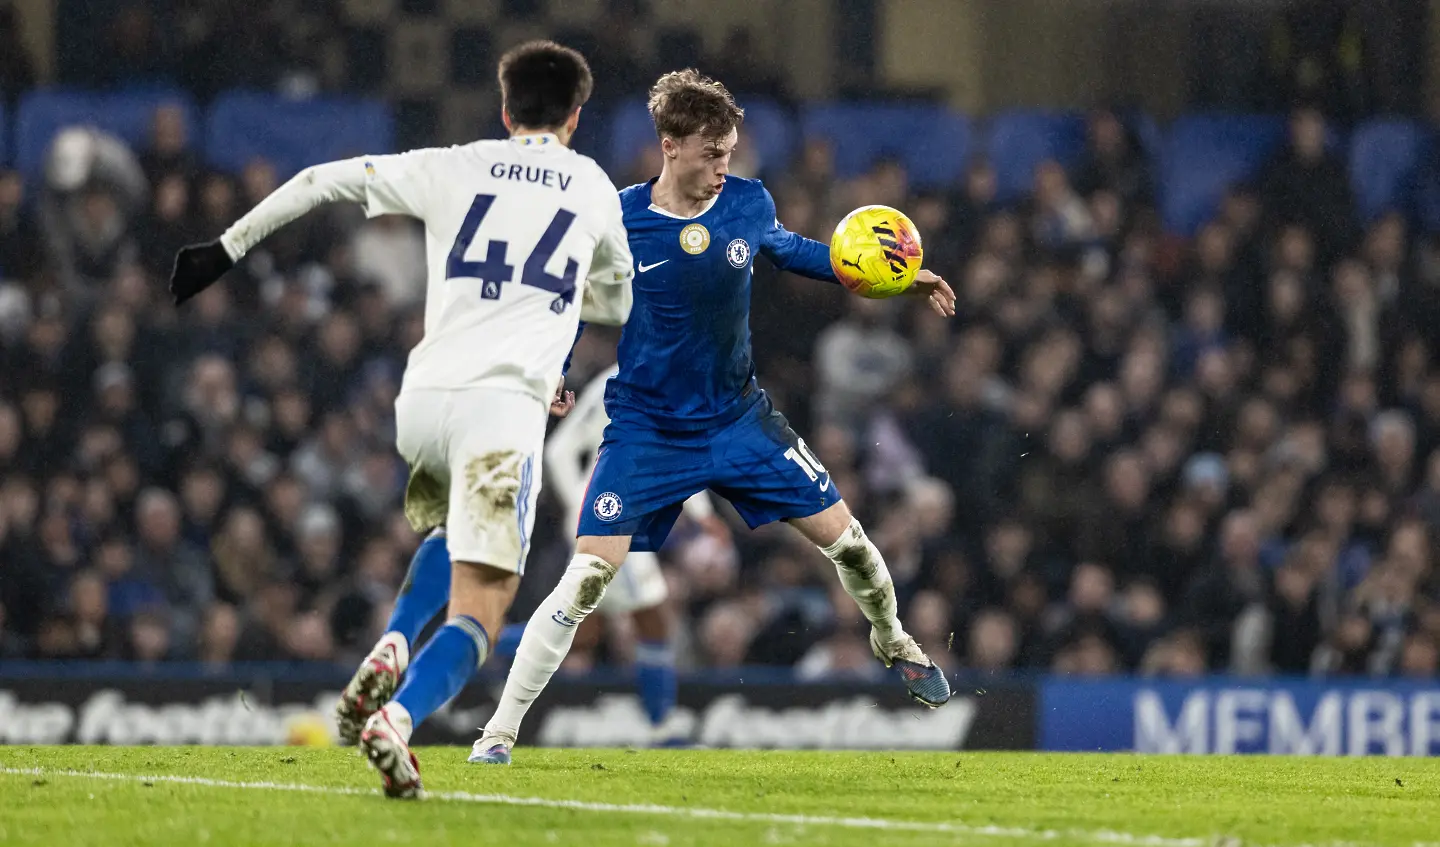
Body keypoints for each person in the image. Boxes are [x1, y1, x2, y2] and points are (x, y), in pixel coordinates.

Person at [166, 41, 633, 798]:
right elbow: (617, 300)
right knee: (483, 606)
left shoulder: (454, 162)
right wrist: (553, 349)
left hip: (423, 398)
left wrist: (224, 249)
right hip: (500, 410)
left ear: (505, 110)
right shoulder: (592, 185)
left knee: (451, 536)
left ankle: (390, 638)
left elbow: (321, 180)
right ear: (576, 116)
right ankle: (400, 718)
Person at [469, 69, 958, 766]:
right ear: (670, 146)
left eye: (730, 152)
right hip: (647, 430)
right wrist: (553, 368)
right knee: (584, 580)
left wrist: (902, 278)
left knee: (852, 545)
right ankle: (498, 733)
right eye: (712, 154)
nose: (726, 167)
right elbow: (577, 297)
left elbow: (794, 252)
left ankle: (894, 639)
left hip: (738, 422)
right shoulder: (620, 217)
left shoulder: (748, 202)